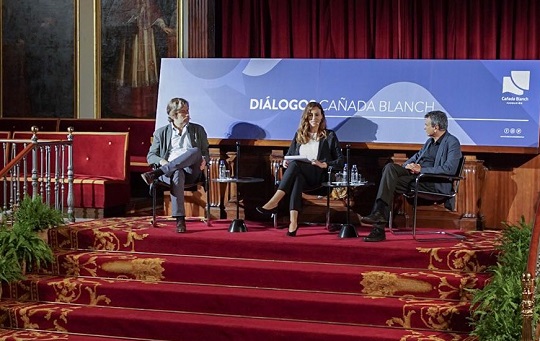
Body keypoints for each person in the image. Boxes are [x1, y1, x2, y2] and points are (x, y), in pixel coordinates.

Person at [361, 110, 462, 242]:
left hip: (434, 184)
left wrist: (422, 169)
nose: (424, 127)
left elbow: (450, 169)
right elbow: (415, 158)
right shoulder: (429, 142)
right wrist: (409, 166)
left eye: (426, 125)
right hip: (417, 178)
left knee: (388, 183)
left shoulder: (452, 142)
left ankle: (378, 227)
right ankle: (378, 217)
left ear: (436, 127)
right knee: (390, 168)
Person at [256, 102, 344, 237]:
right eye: (310, 115)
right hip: (303, 177)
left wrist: (323, 164)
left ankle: (274, 201)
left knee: (296, 166)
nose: (314, 118)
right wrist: (286, 162)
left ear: (322, 117)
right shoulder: (299, 135)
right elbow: (290, 156)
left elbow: (340, 161)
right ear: (306, 118)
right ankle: (293, 223)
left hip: (319, 177)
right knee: (296, 176)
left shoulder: (329, 135)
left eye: (317, 115)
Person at [141, 98, 209, 233]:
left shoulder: (198, 130)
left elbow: (205, 152)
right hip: (170, 174)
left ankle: (156, 173)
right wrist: (163, 162)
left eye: (188, 111)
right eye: (183, 112)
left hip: (192, 172)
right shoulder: (161, 133)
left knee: (195, 151)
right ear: (173, 115)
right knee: (177, 172)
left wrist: (204, 160)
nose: (188, 115)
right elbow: (151, 156)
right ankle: (180, 220)